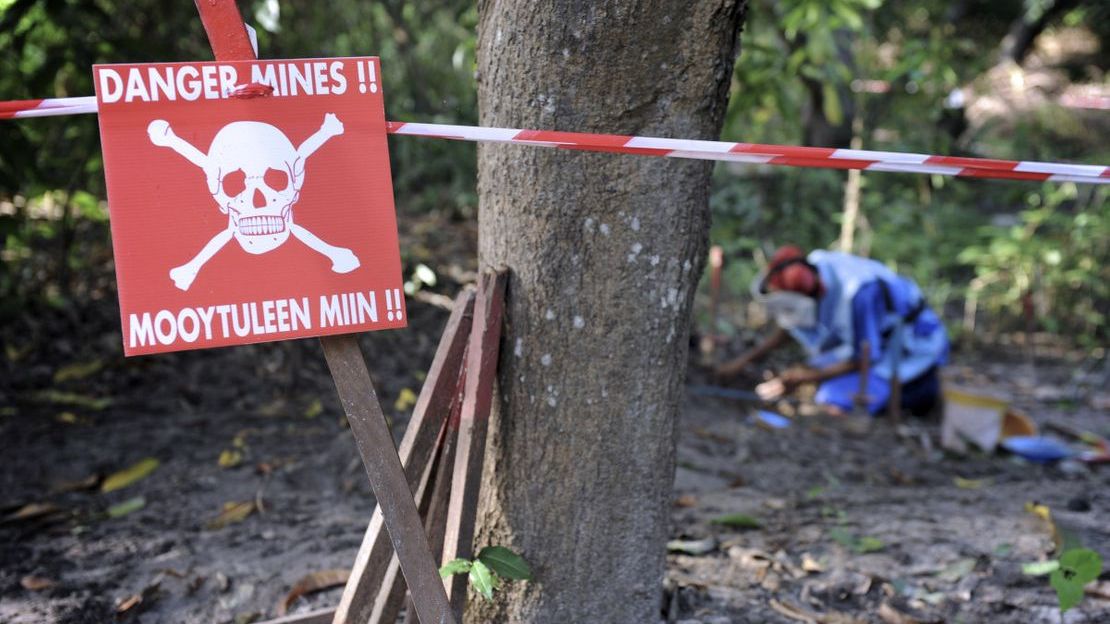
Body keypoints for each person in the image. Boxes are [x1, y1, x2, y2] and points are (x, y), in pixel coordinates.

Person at [716, 246, 949, 417]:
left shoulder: (858, 295)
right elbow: (788, 328)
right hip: (870, 341)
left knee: (832, 398)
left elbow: (864, 357)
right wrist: (741, 363)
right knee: (820, 368)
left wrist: (802, 379)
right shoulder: (817, 266)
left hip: (909, 347)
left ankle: (917, 395)